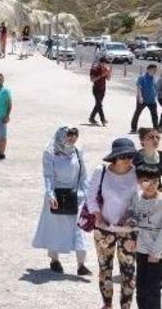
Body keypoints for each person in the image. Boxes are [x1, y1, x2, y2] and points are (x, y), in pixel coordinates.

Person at [87, 138, 140, 309]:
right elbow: (91, 197)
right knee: (105, 269)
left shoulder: (137, 172)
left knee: (129, 272)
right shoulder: (100, 171)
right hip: (104, 229)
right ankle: (107, 305)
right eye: (123, 156)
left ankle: (126, 306)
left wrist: (131, 215)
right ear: (114, 157)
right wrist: (98, 217)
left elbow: (141, 198)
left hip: (129, 230)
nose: (127, 159)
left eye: (130, 155)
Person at [31, 127, 91, 275]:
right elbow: (48, 176)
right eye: (69, 134)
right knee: (55, 229)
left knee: (79, 229)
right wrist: (51, 195)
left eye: (75, 134)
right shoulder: (50, 153)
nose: (72, 137)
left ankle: (81, 264)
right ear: (61, 135)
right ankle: (54, 260)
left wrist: (86, 193)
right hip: (56, 196)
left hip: (75, 196)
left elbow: (83, 174)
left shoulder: (77, 151)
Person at [127, 165, 162, 309]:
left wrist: (156, 252)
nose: (151, 185)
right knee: (141, 286)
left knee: (153, 288)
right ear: (141, 182)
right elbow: (133, 218)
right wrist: (131, 237)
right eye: (147, 181)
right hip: (141, 248)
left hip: (156, 250)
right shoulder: (136, 198)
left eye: (155, 181)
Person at [132, 65, 159, 133]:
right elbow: (139, 87)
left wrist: (156, 94)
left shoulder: (153, 78)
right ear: (148, 70)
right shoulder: (142, 77)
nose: (155, 72)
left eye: (155, 70)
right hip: (142, 100)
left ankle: (156, 128)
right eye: (154, 70)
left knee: (155, 115)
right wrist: (140, 97)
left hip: (152, 100)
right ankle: (133, 128)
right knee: (137, 113)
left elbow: (155, 87)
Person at [90, 57, 112, 126]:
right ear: (99, 62)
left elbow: (108, 79)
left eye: (105, 63)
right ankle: (103, 119)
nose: (104, 64)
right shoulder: (94, 68)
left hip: (102, 89)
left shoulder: (105, 69)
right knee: (99, 104)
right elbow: (92, 80)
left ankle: (91, 117)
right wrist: (101, 75)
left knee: (98, 105)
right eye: (103, 63)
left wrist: (109, 73)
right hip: (96, 89)